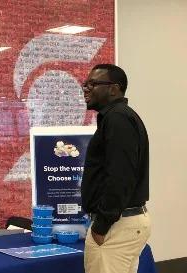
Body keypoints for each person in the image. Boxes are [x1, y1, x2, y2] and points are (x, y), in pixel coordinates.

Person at [81, 64, 151, 273]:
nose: (85, 88)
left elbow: (120, 177)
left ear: (114, 88)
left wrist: (101, 226)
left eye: (93, 84)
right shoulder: (117, 117)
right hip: (124, 221)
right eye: (85, 84)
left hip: (116, 225)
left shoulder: (117, 119)